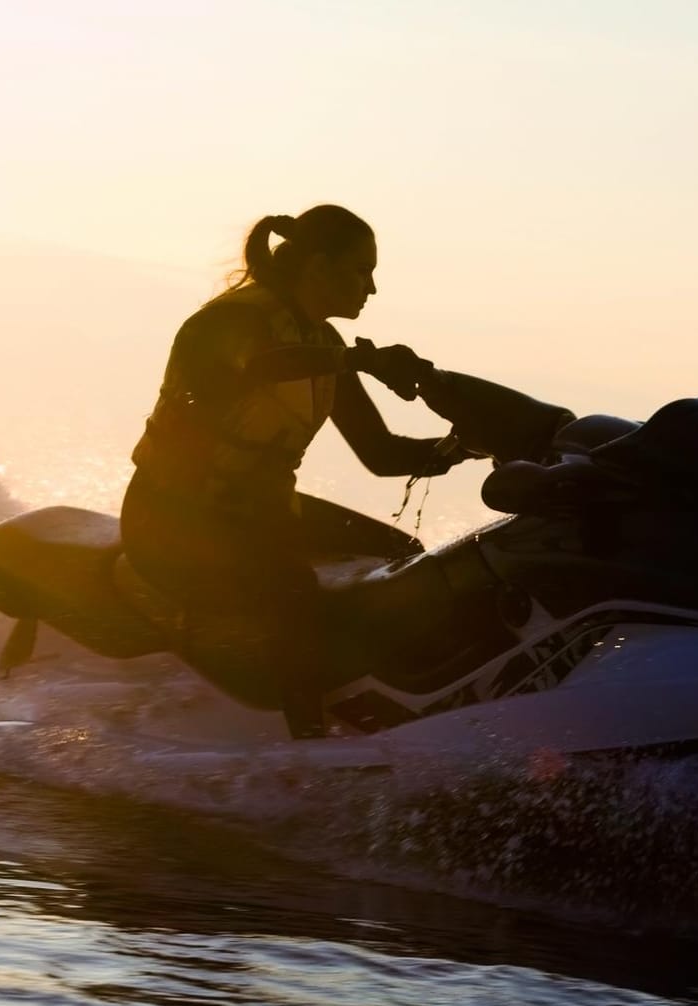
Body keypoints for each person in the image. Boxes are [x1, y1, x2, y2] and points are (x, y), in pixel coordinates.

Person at [121, 204, 468, 737]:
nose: (372, 288)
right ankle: (309, 745)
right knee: (294, 595)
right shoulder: (228, 322)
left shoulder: (325, 345)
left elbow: (379, 453)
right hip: (172, 521)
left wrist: (465, 447)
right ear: (319, 267)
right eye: (361, 271)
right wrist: (360, 361)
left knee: (403, 558)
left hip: (259, 515)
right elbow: (259, 367)